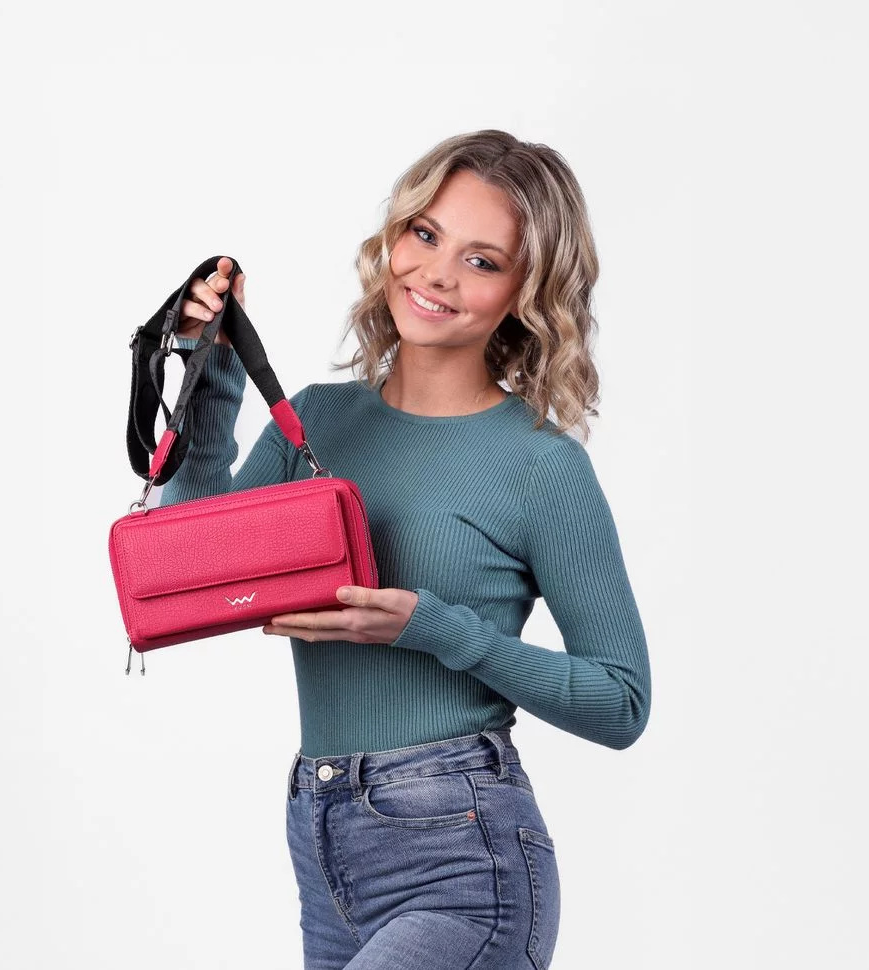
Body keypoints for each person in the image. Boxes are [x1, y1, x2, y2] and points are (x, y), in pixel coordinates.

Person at [155, 129, 651, 969]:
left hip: (465, 860)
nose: (438, 274)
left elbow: (621, 702)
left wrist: (435, 628)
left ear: (526, 293)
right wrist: (210, 372)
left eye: (482, 260)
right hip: (323, 842)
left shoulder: (539, 464)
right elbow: (193, 569)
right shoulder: (317, 420)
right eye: (425, 234)